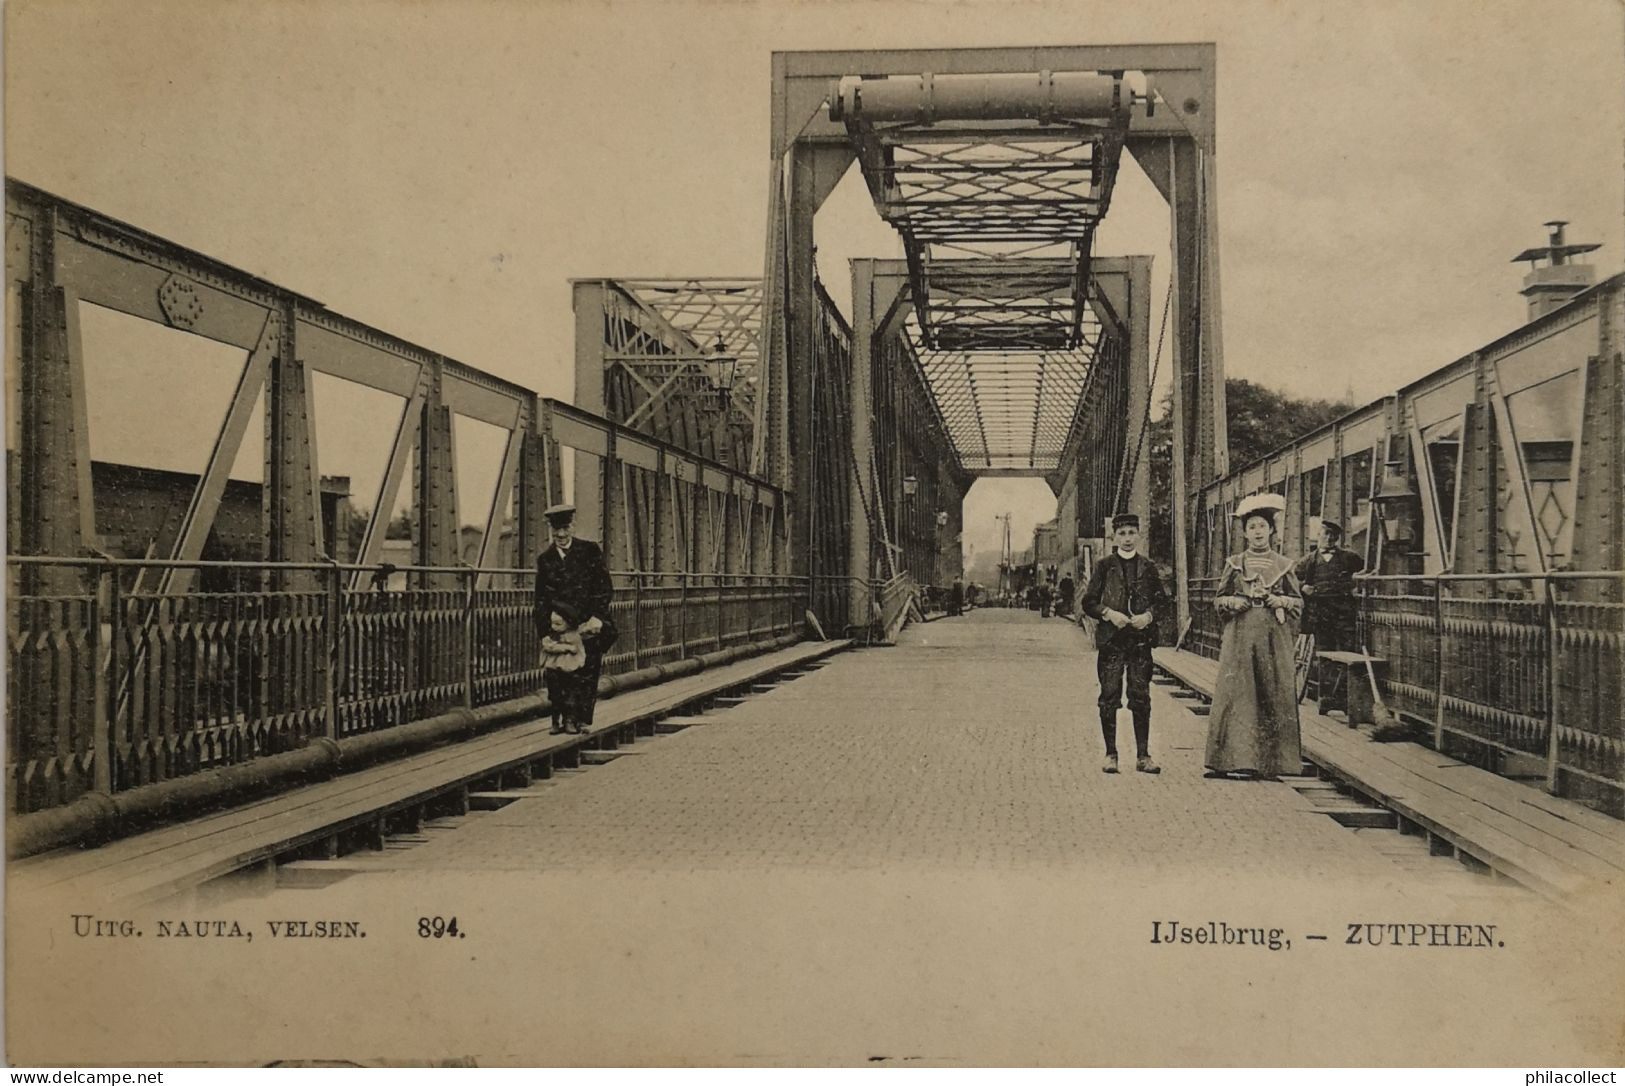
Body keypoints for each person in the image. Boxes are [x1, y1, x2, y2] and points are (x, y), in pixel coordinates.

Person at [1204, 493, 1304, 780]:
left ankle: (1273, 764)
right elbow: (1218, 599)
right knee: (1238, 694)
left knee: (1273, 691)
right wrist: (1232, 603)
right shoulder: (1234, 563)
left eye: (1262, 526)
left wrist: (1280, 601)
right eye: (1252, 528)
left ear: (1271, 530)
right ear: (1245, 533)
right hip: (1240, 636)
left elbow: (1298, 604)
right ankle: (1233, 761)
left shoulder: (1284, 565)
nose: (1258, 532)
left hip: (1273, 637)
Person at [1081, 512, 1169, 774]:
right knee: (1109, 696)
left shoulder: (1148, 567)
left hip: (1140, 641)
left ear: (1138, 536)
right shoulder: (1104, 566)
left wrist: (1148, 616)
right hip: (1112, 642)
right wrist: (1109, 614)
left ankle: (1143, 756)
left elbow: (1162, 602)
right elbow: (1089, 602)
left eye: (1132, 533)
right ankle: (1111, 754)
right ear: (1114, 537)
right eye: (1122, 533)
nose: (1127, 539)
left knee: (1140, 696)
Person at [533, 503, 615, 729]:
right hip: (560, 628)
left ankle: (580, 719)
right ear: (551, 529)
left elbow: (604, 587)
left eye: (565, 528)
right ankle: (566, 719)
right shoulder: (545, 559)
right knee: (560, 673)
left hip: (587, 625)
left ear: (573, 526)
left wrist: (598, 616)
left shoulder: (589, 551)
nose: (560, 534)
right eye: (556, 529)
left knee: (587, 672)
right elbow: (540, 599)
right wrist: (543, 634)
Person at [1293, 520, 1363, 651]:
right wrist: (1302, 587)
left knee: (1347, 648)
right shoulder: (1308, 560)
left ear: (1337, 538)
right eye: (1326, 534)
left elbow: (1366, 571)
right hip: (1320, 613)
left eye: (1333, 535)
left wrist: (1357, 585)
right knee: (1323, 649)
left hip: (1343, 611)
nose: (1329, 538)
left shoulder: (1349, 557)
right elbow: (1291, 580)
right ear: (1318, 535)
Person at [540, 602, 589, 734]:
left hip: (570, 670)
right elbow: (548, 647)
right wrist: (565, 648)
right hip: (554, 670)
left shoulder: (574, 636)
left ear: (568, 623)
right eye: (553, 623)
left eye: (558, 624)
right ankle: (555, 722)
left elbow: (578, 650)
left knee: (570, 696)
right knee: (555, 697)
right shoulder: (551, 636)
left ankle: (569, 721)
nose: (554, 627)